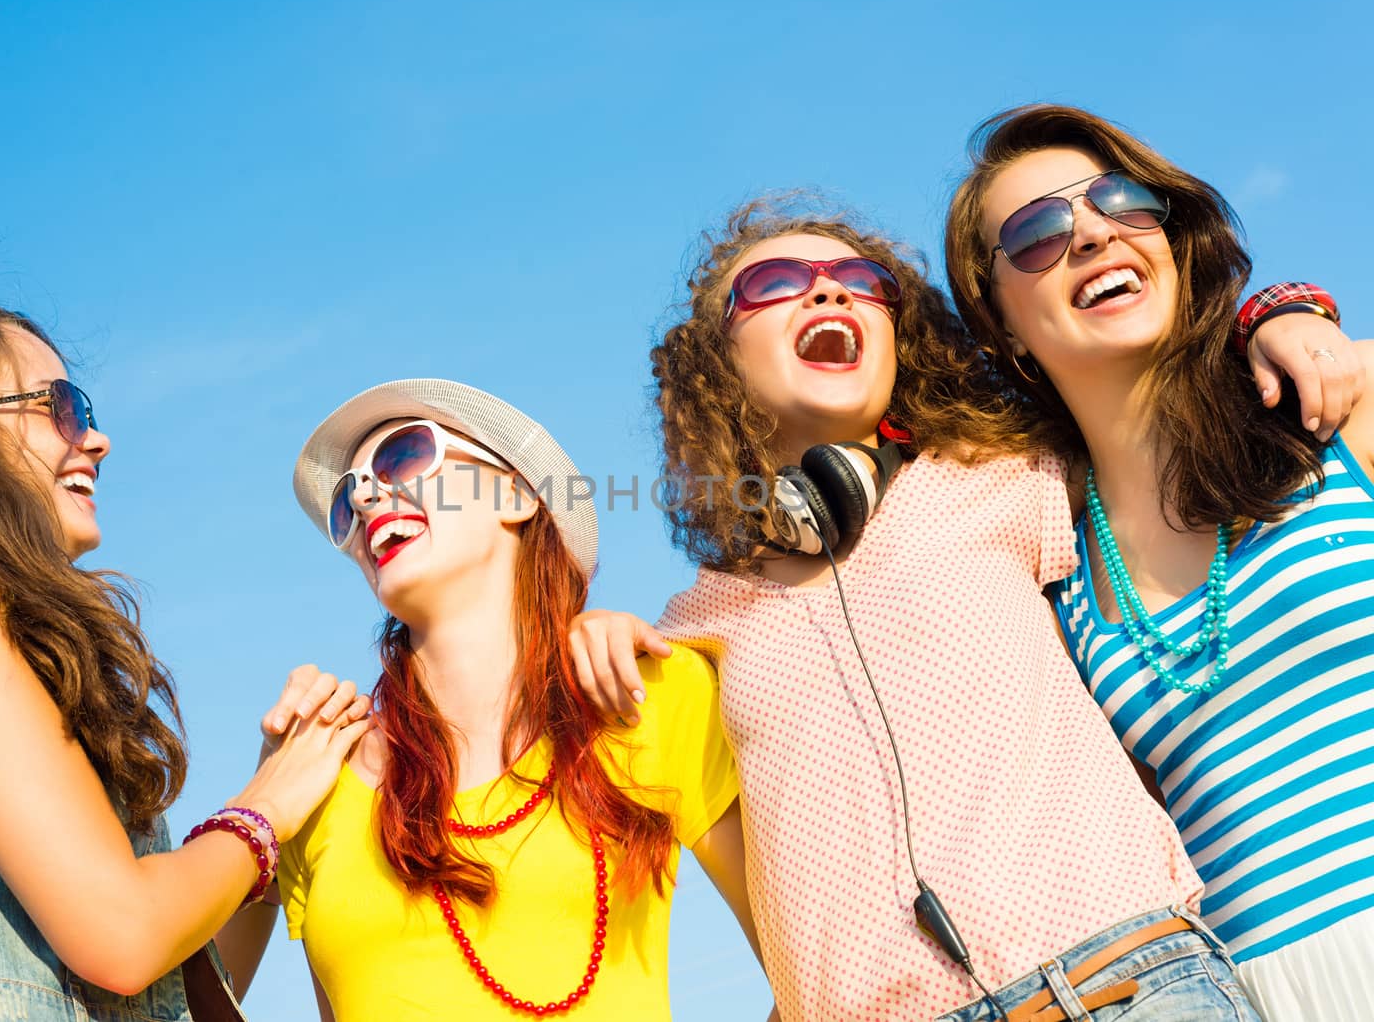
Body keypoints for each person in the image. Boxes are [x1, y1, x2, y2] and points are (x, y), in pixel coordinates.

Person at [566, 194, 1356, 1020]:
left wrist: (1274, 314)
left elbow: (1150, 388)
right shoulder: (696, 627)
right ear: (715, 360)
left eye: (860, 280)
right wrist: (603, 632)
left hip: (1125, 981)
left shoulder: (1010, 474)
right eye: (777, 282)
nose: (831, 294)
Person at [0, 300, 370, 1021]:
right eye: (60, 407)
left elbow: (160, 982)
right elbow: (124, 938)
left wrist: (272, 811)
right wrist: (267, 809)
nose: (96, 440)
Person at [944, 103, 1374, 1019]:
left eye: (1122, 202)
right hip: (1253, 993)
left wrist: (1278, 311)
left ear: (1172, 240)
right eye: (1036, 234)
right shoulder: (1055, 581)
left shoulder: (1340, 414)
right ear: (1003, 325)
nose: (1094, 232)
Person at [280, 378, 766, 1020]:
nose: (366, 495)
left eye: (402, 455)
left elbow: (813, 972)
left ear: (514, 494)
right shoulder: (316, 776)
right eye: (346, 501)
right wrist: (255, 812)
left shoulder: (647, 695)